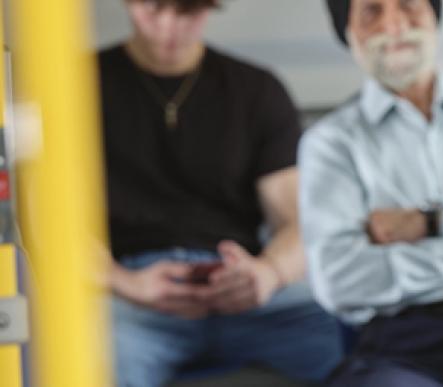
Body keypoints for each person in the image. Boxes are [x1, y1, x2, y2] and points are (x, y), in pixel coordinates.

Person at [99, 0, 342, 385]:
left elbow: (299, 219)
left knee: (352, 343)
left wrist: (269, 273)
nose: (167, 28)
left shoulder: (257, 90)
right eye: (152, 10)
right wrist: (123, 283)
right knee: (93, 361)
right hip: (127, 291)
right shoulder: (73, 88)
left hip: (244, 289)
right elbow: (49, 224)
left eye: (186, 13)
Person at [300, 0, 443, 386]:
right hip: (402, 350)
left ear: (434, 17)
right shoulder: (331, 143)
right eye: (372, 11)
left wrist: (430, 223)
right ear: (348, 31)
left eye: (410, 5)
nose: (394, 24)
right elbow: (340, 279)